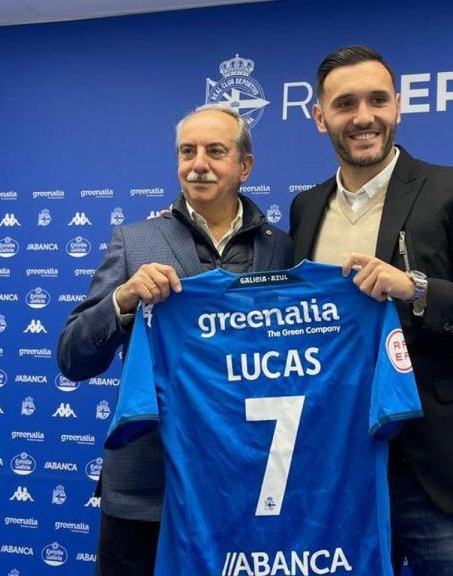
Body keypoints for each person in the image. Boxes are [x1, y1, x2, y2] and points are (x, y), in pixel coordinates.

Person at [289, 45, 453, 575]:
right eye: (345, 104)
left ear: (398, 107)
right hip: (339, 464)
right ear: (320, 117)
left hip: (437, 467)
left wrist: (418, 289)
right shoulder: (305, 207)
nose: (363, 117)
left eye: (377, 100)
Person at [58, 104, 293, 576]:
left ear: (244, 166)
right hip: (147, 491)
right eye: (188, 152)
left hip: (247, 486)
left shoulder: (283, 249)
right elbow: (72, 358)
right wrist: (121, 300)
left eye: (215, 151)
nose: (198, 163)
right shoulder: (134, 240)